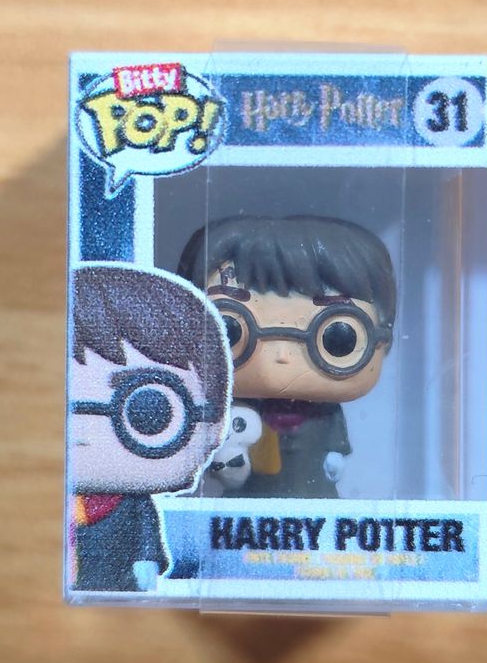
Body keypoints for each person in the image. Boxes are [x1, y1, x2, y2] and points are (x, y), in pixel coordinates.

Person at [178, 216, 396, 499]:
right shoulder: (237, 412)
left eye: (337, 336)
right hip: (248, 500)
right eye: (229, 329)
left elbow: (336, 435)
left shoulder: (325, 412)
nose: (282, 356)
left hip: (314, 496)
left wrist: (336, 453)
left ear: (382, 338)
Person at [68, 263, 231, 592]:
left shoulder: (134, 506)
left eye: (147, 411)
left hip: (122, 591)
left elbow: (146, 540)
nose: (81, 433)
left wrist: (147, 564)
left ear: (216, 424)